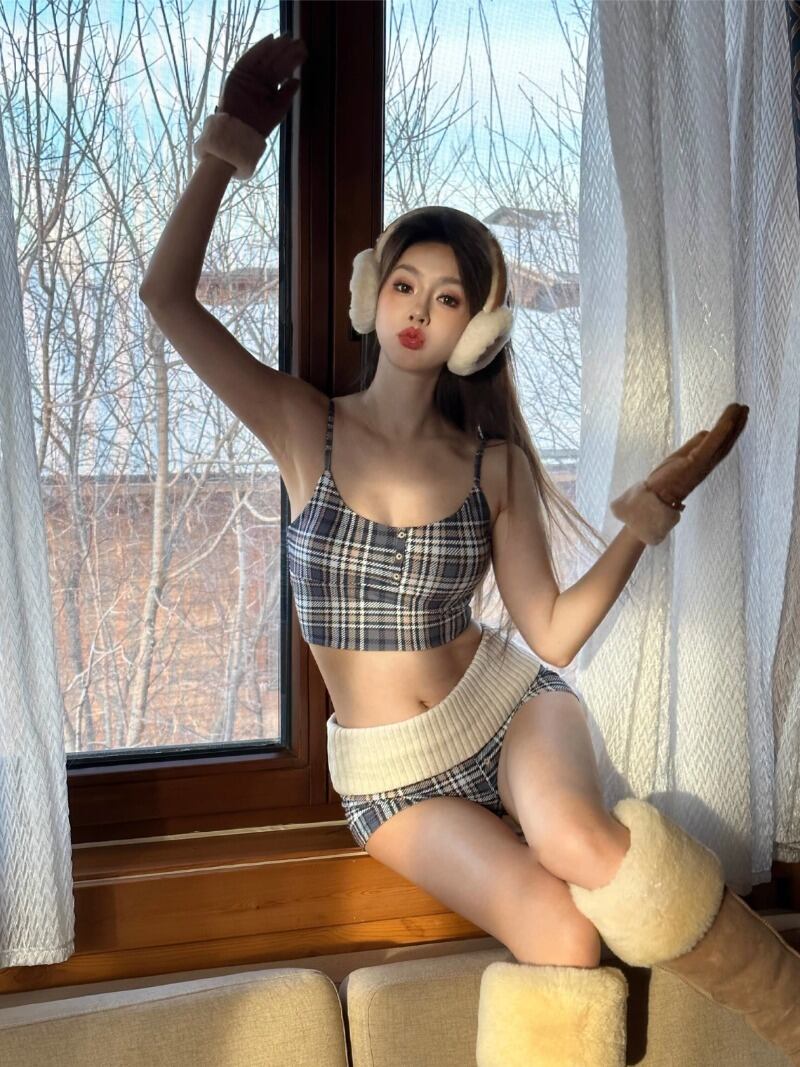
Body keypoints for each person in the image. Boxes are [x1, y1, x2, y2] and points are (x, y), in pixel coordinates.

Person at [139, 31, 799, 1067]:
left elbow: (552, 630)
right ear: (371, 294)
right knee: (562, 932)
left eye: (447, 297)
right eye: (405, 284)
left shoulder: (491, 464)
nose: (419, 311)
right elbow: (166, 298)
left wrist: (640, 521)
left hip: (509, 708)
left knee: (579, 840)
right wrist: (228, 146)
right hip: (391, 777)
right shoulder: (304, 427)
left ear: (475, 331)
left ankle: (794, 1015)